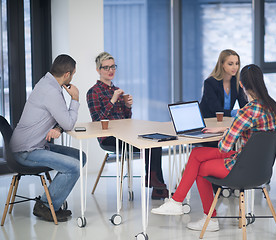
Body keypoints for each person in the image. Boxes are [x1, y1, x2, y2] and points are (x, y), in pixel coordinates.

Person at [151, 64, 276, 232]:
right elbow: (256, 131)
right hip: (261, 168)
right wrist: (227, 129)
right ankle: (176, 202)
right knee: (197, 153)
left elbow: (225, 148)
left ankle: (207, 217)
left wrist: (228, 133)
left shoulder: (246, 111)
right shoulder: (271, 106)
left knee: (201, 167)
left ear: (241, 85)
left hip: (243, 167)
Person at [10, 54, 86, 222]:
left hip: (37, 145)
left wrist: (58, 127)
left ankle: (52, 200)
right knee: (73, 167)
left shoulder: (46, 82)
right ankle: (45, 205)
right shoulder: (51, 91)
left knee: (80, 157)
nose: (73, 77)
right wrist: (75, 99)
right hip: (26, 151)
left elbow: (60, 122)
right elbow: (68, 123)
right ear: (67, 75)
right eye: (73, 74)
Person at [86, 52, 168, 199]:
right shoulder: (93, 92)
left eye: (113, 67)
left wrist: (127, 106)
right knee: (150, 144)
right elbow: (98, 121)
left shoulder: (116, 90)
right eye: (106, 67)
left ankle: (155, 183)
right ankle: (158, 186)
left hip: (126, 134)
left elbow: (126, 120)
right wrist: (113, 100)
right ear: (98, 70)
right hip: (108, 137)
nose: (110, 70)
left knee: (155, 142)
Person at [199, 49, 248, 118]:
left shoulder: (237, 81)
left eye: (237, 63)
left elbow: (243, 103)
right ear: (222, 64)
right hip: (209, 120)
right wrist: (235, 112)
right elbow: (216, 109)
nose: (235, 67)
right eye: (230, 64)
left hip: (225, 121)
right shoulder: (210, 83)